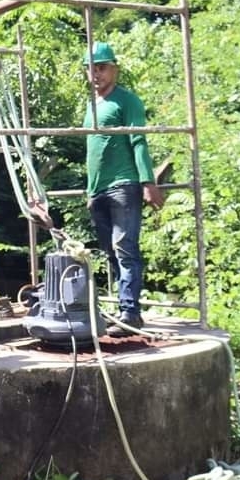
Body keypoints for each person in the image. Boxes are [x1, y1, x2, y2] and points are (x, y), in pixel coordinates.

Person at [83, 41, 164, 329]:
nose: (96, 74)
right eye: (91, 68)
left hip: (123, 185)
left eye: (102, 67)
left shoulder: (127, 101)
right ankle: (123, 307)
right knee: (110, 251)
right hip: (99, 190)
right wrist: (90, 190)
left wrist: (148, 182)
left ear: (114, 69)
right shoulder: (92, 106)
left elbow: (138, 141)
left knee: (124, 246)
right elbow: (94, 151)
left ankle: (131, 312)